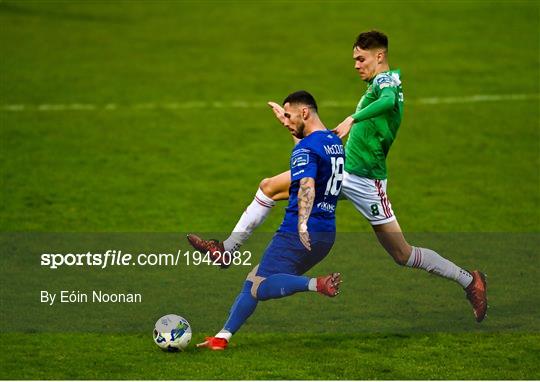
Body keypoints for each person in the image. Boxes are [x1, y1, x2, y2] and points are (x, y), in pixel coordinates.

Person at [188, 31, 487, 323]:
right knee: (269, 187)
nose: (356, 65)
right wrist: (294, 125)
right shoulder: (379, 84)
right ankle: (226, 249)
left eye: (361, 58)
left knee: (402, 253)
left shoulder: (387, 82)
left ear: (379, 56)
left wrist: (352, 117)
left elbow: (387, 102)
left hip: (367, 181)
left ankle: (468, 280)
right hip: (342, 171)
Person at [196, 90, 345, 350]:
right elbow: (311, 161)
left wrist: (301, 224)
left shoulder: (307, 149)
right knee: (254, 279)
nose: (285, 120)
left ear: (304, 113)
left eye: (289, 116)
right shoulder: (333, 141)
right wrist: (290, 127)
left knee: (259, 286)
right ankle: (222, 337)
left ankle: (316, 285)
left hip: (299, 233)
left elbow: (307, 183)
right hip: (326, 234)